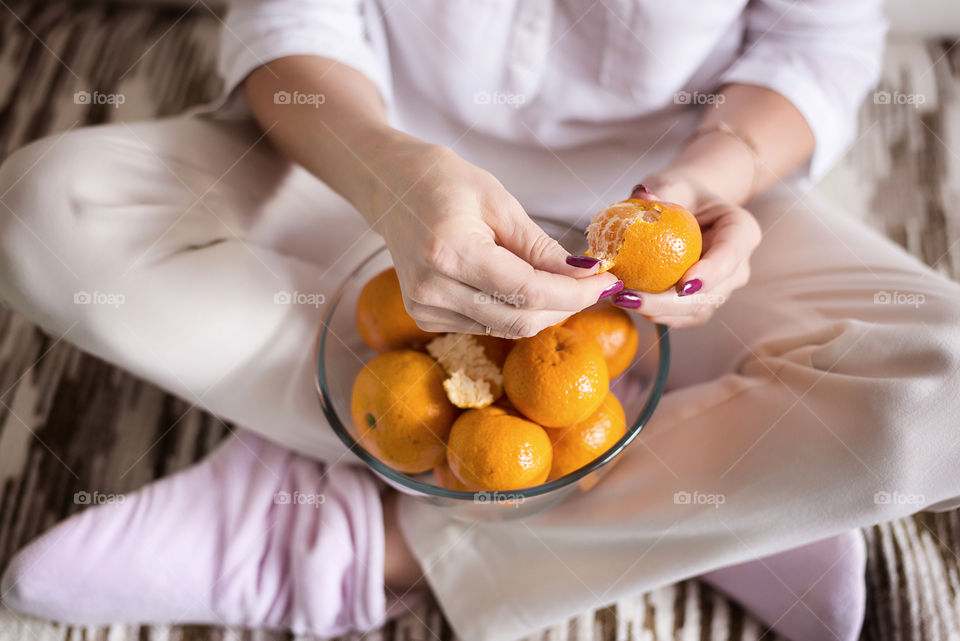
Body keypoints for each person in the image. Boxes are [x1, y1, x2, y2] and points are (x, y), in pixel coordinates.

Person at [1, 1, 959, 640]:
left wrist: (708, 185)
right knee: (44, 213)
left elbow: (818, 41)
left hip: (656, 217)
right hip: (355, 171)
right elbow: (292, 19)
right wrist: (392, 175)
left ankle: (355, 541)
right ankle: (717, 492)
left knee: (946, 386)